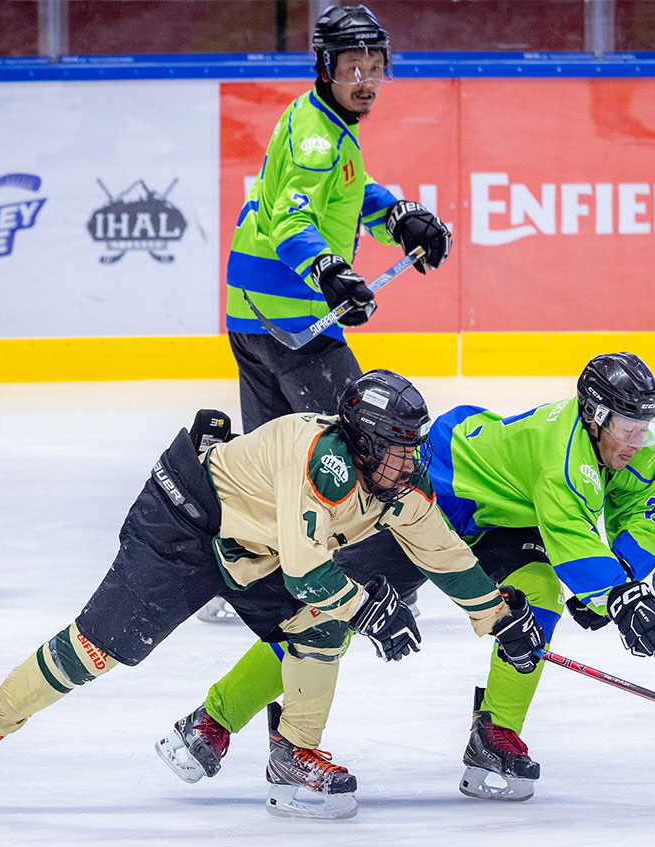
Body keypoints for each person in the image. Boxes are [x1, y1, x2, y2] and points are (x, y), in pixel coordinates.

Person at [0, 370, 543, 820]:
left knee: (319, 625)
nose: (408, 462)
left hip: (255, 550)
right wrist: (370, 611)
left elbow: (444, 554)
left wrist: (498, 617)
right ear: (362, 442)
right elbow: (308, 574)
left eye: (413, 446)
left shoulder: (398, 484)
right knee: (95, 649)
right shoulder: (325, 464)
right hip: (187, 523)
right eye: (396, 448)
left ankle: (295, 756)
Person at [160, 352, 655, 804]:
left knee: (538, 597)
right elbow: (572, 536)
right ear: (596, 416)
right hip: (434, 498)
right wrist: (613, 595)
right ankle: (212, 719)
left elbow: (639, 519)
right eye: (628, 427)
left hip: (502, 519)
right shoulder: (562, 457)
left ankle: (495, 736)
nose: (638, 440)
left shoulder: (640, 452)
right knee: (326, 614)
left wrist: (620, 586)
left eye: (644, 426)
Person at [201, 3, 452, 626]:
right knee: (370, 442)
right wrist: (329, 272)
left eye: (375, 66)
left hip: (252, 310)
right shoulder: (318, 138)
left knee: (274, 454)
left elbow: (344, 190)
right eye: (351, 68)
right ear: (325, 67)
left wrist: (397, 216)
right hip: (293, 320)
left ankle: (248, 580)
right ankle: (376, 574)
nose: (365, 80)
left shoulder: (322, 119)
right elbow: (292, 219)